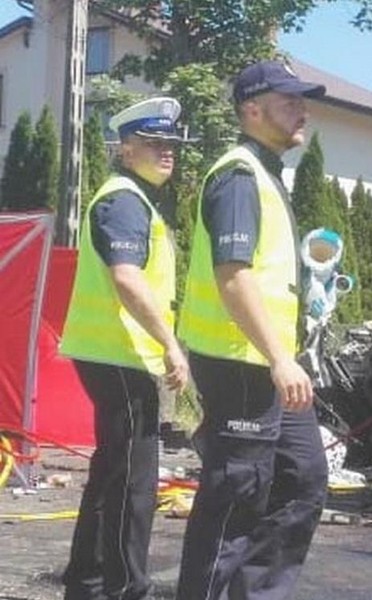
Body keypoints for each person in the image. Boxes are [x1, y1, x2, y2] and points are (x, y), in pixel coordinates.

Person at [175, 60, 328, 600]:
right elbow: (232, 276)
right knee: (235, 498)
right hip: (239, 364)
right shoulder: (238, 176)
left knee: (302, 480)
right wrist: (279, 357)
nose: (301, 111)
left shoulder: (264, 175)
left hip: (264, 365)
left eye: (301, 102)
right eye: (289, 102)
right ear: (251, 110)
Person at [59, 96, 189, 600]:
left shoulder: (130, 198)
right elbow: (127, 278)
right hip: (120, 355)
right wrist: (170, 344)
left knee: (113, 471)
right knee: (132, 482)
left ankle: (88, 583)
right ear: (124, 148)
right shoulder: (125, 200)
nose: (167, 151)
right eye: (155, 143)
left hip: (114, 354)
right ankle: (123, 588)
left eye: (171, 143)